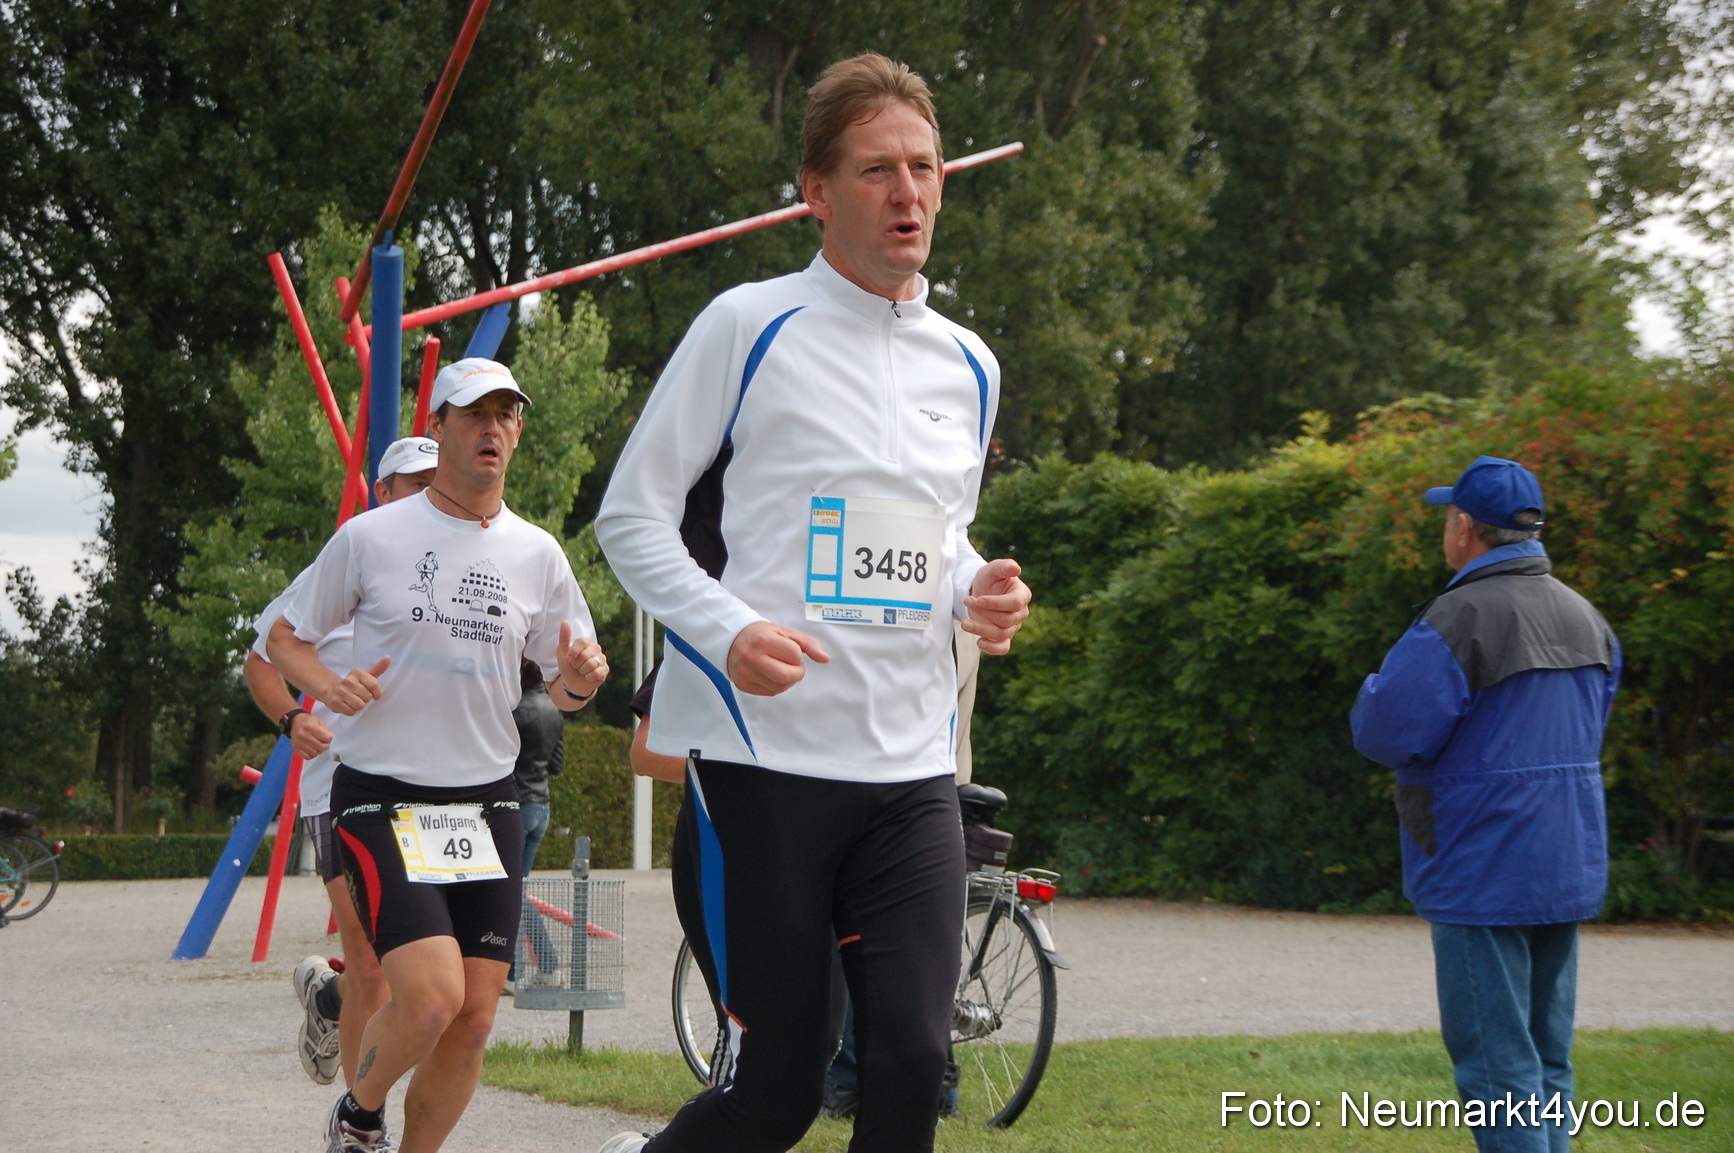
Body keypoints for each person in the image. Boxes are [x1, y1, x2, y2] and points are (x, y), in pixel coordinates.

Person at [593, 53, 1031, 1153]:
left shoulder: (969, 364)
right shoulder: (749, 326)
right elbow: (630, 517)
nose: (909, 193)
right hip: (767, 765)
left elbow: (934, 535)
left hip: (913, 771)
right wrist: (728, 629)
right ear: (815, 192)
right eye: (878, 169)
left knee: (913, 1063)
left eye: (925, 168)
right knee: (779, 1090)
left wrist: (975, 587)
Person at [268, 357, 609, 1153]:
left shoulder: (537, 553)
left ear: (518, 432)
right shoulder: (372, 536)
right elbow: (285, 637)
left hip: (485, 801)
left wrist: (584, 684)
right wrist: (330, 685)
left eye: (506, 415)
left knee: (474, 1018)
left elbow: (558, 692)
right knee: (427, 998)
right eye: (474, 414)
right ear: (441, 428)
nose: (492, 428)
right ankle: (357, 1115)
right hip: (382, 791)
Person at [1351, 456, 1620, 1153]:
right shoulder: (1585, 617)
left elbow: (1384, 731)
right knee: (1546, 1061)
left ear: (1466, 527)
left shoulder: (1463, 614)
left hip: (1483, 864)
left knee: (1498, 1069)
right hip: (1566, 859)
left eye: (1449, 516)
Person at [242, 433, 438, 1087]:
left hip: (437, 788)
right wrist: (295, 718)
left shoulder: (464, 566)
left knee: (437, 967)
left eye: (435, 481)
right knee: (373, 960)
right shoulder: (349, 557)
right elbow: (262, 659)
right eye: (414, 483)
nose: (427, 495)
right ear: (382, 492)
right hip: (343, 786)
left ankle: (330, 998)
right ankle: (360, 1123)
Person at [508, 657, 566, 991]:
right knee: (516, 889)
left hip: (516, 805)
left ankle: (540, 966)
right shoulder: (554, 710)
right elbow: (556, 765)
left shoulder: (515, 711)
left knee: (513, 891)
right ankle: (516, 971)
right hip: (541, 805)